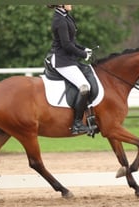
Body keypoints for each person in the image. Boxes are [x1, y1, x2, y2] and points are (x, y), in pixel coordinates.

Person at [47, 5, 93, 135]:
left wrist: (84, 49)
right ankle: (77, 124)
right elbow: (66, 45)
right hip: (63, 61)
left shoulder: (65, 16)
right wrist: (83, 55)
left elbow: (72, 41)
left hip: (69, 60)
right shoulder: (59, 20)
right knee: (85, 87)